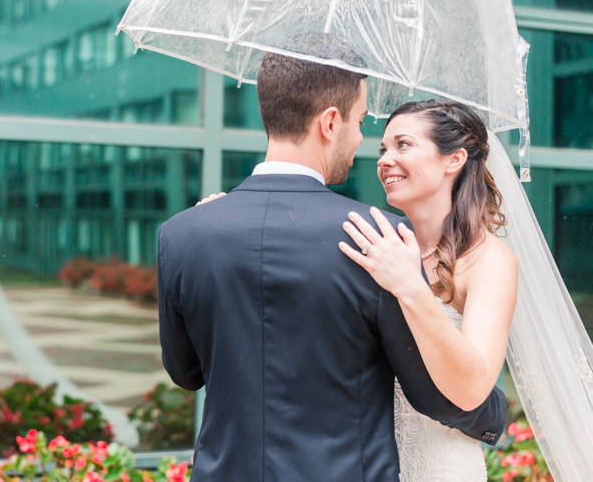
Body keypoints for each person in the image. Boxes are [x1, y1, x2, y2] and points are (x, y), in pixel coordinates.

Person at [158, 33, 506, 482]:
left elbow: (185, 373)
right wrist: (496, 415)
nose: (363, 139)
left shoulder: (183, 233)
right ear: (329, 122)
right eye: (361, 122)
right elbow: (426, 391)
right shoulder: (377, 238)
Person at [338, 100, 517, 481]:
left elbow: (472, 390)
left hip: (440, 466)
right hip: (361, 464)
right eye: (383, 149)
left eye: (402, 145)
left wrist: (410, 287)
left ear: (453, 160)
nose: (385, 160)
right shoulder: (377, 243)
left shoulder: (489, 262)